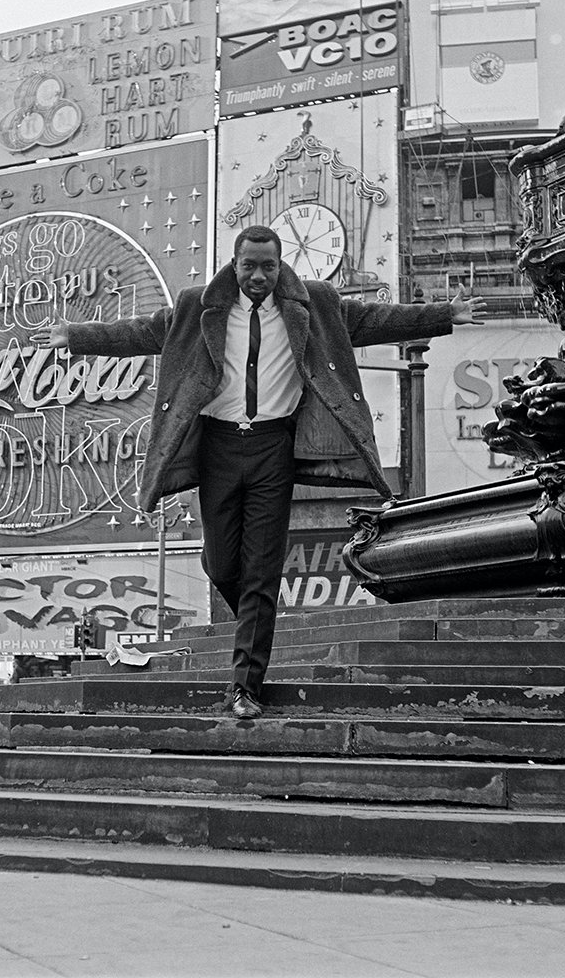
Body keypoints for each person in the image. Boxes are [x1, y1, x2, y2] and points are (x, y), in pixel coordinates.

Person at [44, 225, 486, 720]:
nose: (258, 276)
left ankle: (246, 686)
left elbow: (376, 318)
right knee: (222, 566)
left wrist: (446, 315)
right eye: (249, 265)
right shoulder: (197, 307)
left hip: (274, 447)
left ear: (281, 266)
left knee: (261, 572)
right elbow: (144, 331)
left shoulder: (314, 305)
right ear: (235, 264)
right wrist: (76, 337)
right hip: (217, 446)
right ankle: (255, 629)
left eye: (268, 266)